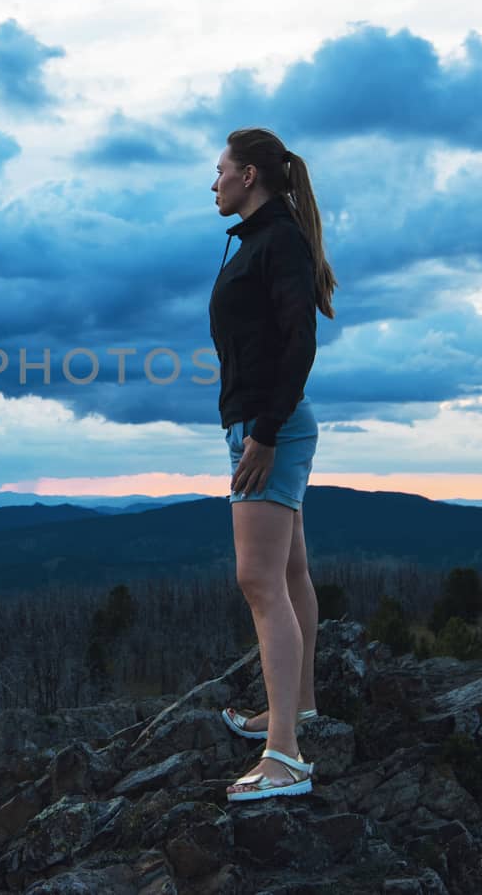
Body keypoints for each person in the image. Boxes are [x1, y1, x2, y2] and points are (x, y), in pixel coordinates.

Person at [206, 127, 338, 802]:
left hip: (270, 430)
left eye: (221, 170)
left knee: (258, 580)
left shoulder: (276, 240)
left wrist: (262, 433)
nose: (214, 182)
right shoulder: (264, 238)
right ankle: (298, 708)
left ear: (250, 175)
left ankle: (283, 755)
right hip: (271, 425)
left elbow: (300, 339)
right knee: (288, 571)